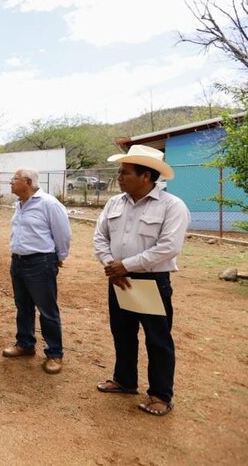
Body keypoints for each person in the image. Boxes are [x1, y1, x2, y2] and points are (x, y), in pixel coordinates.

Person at [93, 145, 190, 417]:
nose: (119, 177)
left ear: (146, 176)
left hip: (151, 281)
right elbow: (100, 237)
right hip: (117, 277)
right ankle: (124, 380)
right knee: (122, 333)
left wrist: (125, 265)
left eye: (125, 172)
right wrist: (111, 265)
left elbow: (168, 247)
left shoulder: (172, 207)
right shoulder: (115, 203)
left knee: (157, 339)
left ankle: (160, 395)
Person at [4, 167, 71, 375]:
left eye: (14, 179)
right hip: (18, 262)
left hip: (40, 262)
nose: (11, 183)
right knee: (23, 306)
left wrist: (57, 258)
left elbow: (63, 234)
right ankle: (25, 343)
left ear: (28, 182)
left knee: (47, 310)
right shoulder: (19, 205)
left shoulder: (49, 204)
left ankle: (55, 353)